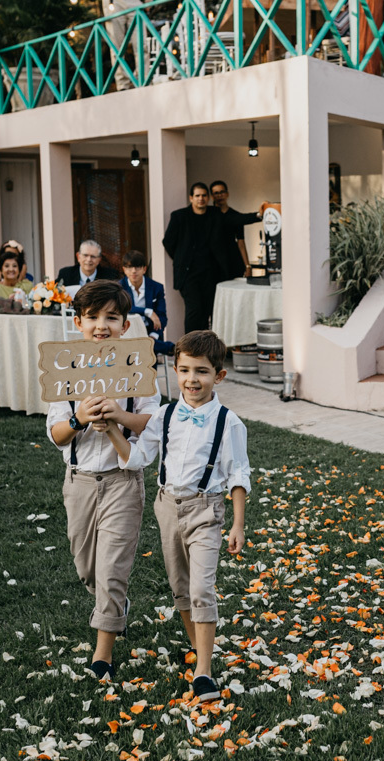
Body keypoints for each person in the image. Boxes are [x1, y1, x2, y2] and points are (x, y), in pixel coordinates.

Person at [107, 330, 249, 703]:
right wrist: (111, 432)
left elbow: (238, 474)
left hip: (207, 508)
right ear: (175, 369)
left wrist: (237, 524)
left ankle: (204, 671)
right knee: (181, 590)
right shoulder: (165, 415)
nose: (191, 380)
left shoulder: (229, 422)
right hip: (167, 507)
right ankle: (199, 645)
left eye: (201, 372)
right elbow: (138, 458)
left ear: (219, 375)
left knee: (202, 587)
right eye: (184, 370)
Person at [46, 280, 160, 683]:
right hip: (79, 480)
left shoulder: (138, 368)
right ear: (78, 322)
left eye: (111, 317)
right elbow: (56, 433)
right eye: (92, 317)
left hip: (122, 480)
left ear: (125, 325)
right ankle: (113, 607)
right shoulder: (65, 369)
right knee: (87, 567)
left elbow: (151, 420)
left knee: (112, 568)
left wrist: (118, 415)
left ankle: (102, 655)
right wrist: (79, 419)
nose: (101, 325)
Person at [163, 183, 235, 333]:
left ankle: (208, 348)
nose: (201, 198)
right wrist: (181, 257)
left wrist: (257, 216)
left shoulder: (215, 214)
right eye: (197, 196)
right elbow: (168, 242)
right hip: (188, 275)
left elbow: (236, 218)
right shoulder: (179, 216)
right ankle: (190, 349)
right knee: (194, 311)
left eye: (203, 195)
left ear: (208, 198)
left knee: (210, 311)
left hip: (211, 274)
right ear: (191, 198)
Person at [119, 250, 173, 355]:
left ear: (144, 269)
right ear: (124, 270)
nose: (134, 271)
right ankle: (169, 347)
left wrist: (153, 335)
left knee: (149, 349)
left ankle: (152, 343)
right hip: (128, 330)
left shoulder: (156, 287)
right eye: (129, 267)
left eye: (138, 267)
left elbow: (162, 316)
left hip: (150, 330)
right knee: (147, 346)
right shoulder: (119, 287)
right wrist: (147, 311)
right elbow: (122, 308)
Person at [210, 181, 262, 280]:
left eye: (222, 192)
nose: (220, 195)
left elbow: (241, 242)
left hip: (232, 259)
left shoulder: (235, 215)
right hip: (214, 261)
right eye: (216, 193)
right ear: (212, 196)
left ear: (227, 194)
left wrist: (247, 266)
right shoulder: (209, 215)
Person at [57, 240, 121, 287]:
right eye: (85, 255)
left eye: (93, 256)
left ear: (99, 259)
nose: (89, 260)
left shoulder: (110, 276)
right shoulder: (66, 274)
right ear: (78, 257)